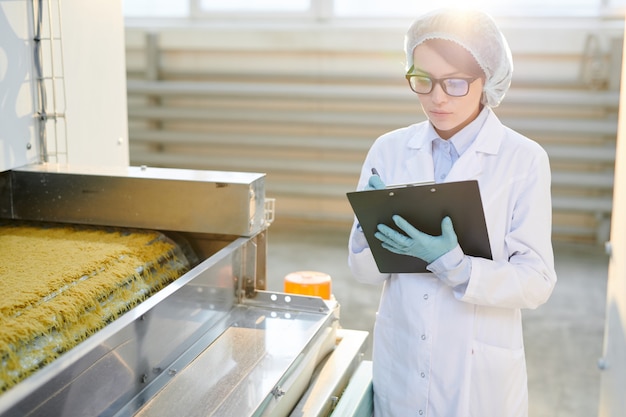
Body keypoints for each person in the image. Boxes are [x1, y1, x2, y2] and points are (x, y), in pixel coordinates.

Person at [347, 8, 557, 417]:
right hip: (403, 360)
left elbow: (537, 281)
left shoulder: (523, 159)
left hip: (478, 375)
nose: (437, 97)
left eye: (455, 83)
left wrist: (457, 266)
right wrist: (368, 234)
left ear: (487, 81)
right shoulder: (389, 150)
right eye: (422, 81)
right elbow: (364, 273)